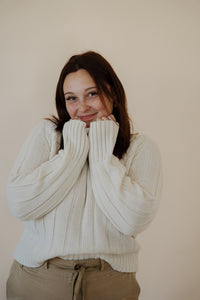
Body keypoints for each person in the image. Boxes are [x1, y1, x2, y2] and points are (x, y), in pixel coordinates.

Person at [6, 51, 163, 300]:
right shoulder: (47, 134)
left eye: (92, 93)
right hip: (37, 280)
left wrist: (101, 155)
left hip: (110, 283)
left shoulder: (141, 149)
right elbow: (21, 204)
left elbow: (133, 220)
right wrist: (74, 152)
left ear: (112, 92)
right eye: (72, 98)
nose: (82, 107)